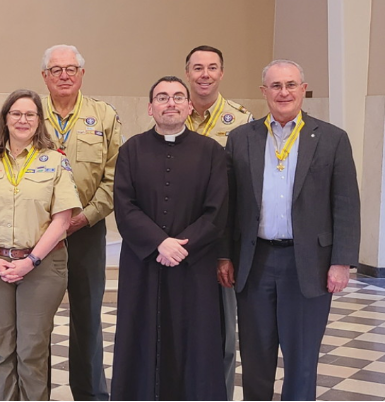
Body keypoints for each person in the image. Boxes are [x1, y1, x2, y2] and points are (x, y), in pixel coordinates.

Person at [226, 60, 360, 401]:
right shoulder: (241, 138)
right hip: (254, 261)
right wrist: (224, 255)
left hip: (309, 263)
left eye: (290, 85)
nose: (283, 92)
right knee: (255, 357)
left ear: (303, 89)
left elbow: (345, 203)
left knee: (302, 360)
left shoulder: (332, 139)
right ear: (264, 92)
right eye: (275, 86)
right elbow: (229, 204)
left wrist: (342, 261)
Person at [111, 76, 228, 401]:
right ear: (150, 108)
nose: (171, 103)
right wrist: (159, 243)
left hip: (194, 265)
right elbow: (124, 205)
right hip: (143, 262)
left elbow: (216, 211)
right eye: (162, 98)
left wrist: (182, 245)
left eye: (178, 97)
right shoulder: (131, 149)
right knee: (140, 335)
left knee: (196, 340)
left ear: (190, 106)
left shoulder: (211, 152)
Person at [0, 89, 82, 401]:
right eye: (16, 113)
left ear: (39, 121)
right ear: (5, 118)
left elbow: (63, 218)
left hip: (42, 266)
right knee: (1, 348)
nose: (23, 120)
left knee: (32, 348)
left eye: (30, 114)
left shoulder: (55, 161)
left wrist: (30, 261)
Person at [40, 44, 121, 401]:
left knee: (87, 319)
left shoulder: (103, 116)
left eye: (71, 69)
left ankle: (90, 395)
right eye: (56, 70)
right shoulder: (27, 111)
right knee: (35, 322)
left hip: (87, 230)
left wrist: (83, 218)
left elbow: (115, 177)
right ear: (44, 76)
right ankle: (33, 392)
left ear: (82, 73)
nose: (64, 75)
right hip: (38, 235)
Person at [183, 44, 252, 400]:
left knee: (223, 335)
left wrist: (229, 250)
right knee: (181, 330)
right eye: (197, 68)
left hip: (221, 242)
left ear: (222, 73)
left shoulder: (242, 122)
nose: (204, 74)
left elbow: (245, 192)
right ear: (187, 74)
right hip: (179, 241)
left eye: (212, 67)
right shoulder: (173, 114)